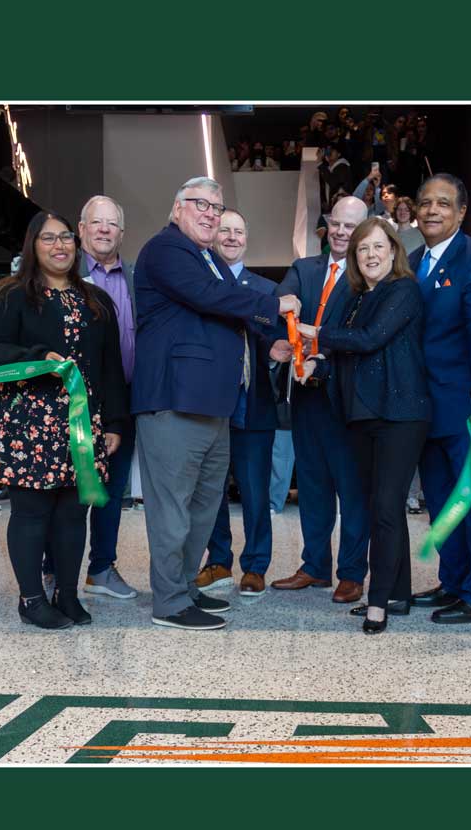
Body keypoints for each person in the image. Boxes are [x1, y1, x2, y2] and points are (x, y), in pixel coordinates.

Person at [132, 177, 298, 631]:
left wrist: (273, 346)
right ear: (176, 208)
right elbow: (213, 299)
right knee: (172, 509)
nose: (209, 212)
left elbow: (232, 317)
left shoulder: (208, 258)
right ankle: (168, 601)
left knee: (204, 507)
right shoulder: (166, 249)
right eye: (200, 204)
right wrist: (272, 299)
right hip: (173, 400)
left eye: (216, 206)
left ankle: (185, 588)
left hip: (214, 404)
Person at [0, 211, 130, 630]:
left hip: (82, 422)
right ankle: (31, 599)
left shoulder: (97, 301)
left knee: (72, 513)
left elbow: (110, 366)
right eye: (49, 239)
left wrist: (114, 421)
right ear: (32, 246)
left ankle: (67, 594)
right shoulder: (10, 295)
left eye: (66, 237)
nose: (60, 246)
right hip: (30, 422)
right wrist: (36, 358)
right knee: (31, 512)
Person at [296, 219, 429, 633]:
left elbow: (371, 339)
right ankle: (398, 593)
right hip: (362, 415)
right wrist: (319, 360)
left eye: (378, 247)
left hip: (399, 415)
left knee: (386, 508)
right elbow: (349, 353)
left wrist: (318, 335)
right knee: (381, 508)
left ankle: (378, 603)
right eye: (362, 250)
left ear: (393, 251)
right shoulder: (355, 298)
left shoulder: (402, 290)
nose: (371, 255)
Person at [408, 174, 471, 625]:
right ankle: (453, 581)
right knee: (441, 498)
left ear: (462, 212)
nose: (432, 210)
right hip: (424, 405)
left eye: (444, 204)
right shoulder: (410, 261)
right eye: (426, 202)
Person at [271, 195, 371, 603]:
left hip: (347, 399)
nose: (343, 232)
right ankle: (315, 567)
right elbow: (282, 302)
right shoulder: (303, 269)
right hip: (308, 397)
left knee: (352, 490)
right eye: (337, 223)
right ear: (327, 225)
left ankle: (351, 572)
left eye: (352, 226)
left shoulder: (368, 276)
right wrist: (284, 307)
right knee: (312, 487)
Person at [195, 210, 278, 598]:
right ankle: (218, 560)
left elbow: (275, 344)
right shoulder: (201, 285)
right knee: (210, 490)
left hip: (254, 405)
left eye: (238, 231)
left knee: (256, 491)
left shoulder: (265, 288)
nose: (230, 237)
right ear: (213, 236)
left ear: (247, 238)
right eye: (223, 230)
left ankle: (256, 565)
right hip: (210, 405)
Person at [68, 194, 139, 601]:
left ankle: (101, 568)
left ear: (122, 233)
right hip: (74, 401)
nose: (104, 229)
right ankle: (54, 570)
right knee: (70, 489)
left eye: (112, 224)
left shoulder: (134, 277)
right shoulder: (63, 273)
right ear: (81, 230)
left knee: (111, 490)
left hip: (122, 402)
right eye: (96, 222)